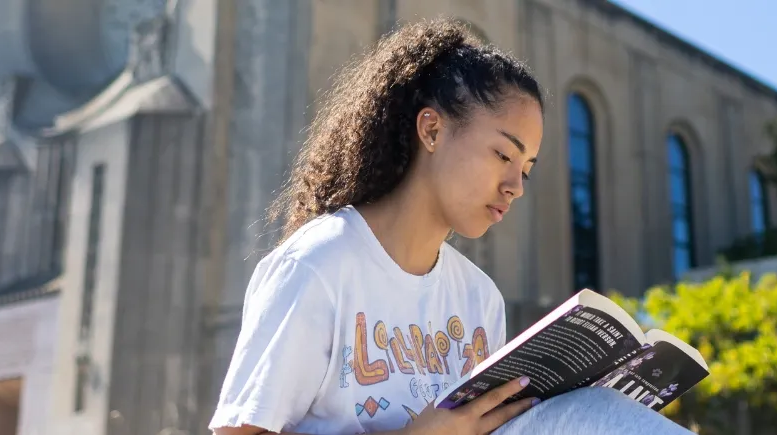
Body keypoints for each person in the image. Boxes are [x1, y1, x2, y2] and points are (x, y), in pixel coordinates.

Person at [208, 19, 693, 435]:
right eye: (503, 154)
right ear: (432, 130)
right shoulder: (318, 265)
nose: (514, 186)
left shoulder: (479, 298)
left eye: (525, 168)